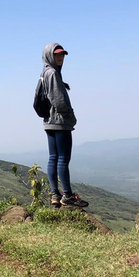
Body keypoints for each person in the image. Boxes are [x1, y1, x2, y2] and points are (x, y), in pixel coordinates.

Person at [35, 42, 88, 208]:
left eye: (62, 55)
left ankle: (55, 195)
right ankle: (67, 195)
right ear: (49, 55)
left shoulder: (45, 72)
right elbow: (59, 101)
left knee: (53, 157)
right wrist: (70, 116)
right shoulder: (52, 74)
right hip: (59, 122)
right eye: (57, 54)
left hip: (49, 123)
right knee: (63, 159)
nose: (60, 57)